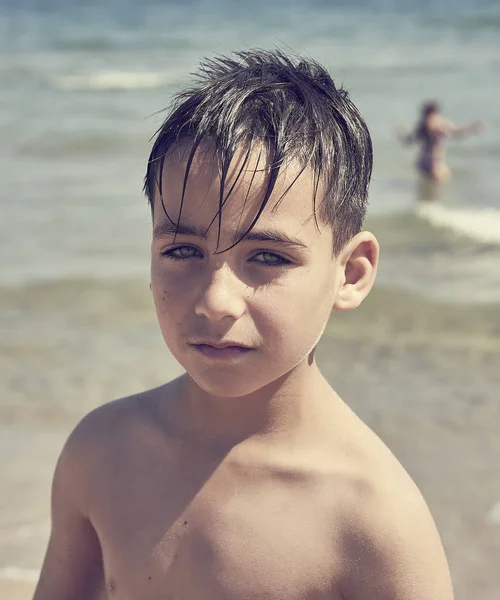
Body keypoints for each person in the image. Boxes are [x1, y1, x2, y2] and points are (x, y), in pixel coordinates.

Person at [33, 50, 454, 600]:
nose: (215, 301)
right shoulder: (101, 452)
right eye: (182, 250)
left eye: (269, 257)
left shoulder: (373, 524)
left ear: (350, 273)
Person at [398, 99, 483, 182]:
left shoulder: (422, 125)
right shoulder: (438, 124)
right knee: (439, 188)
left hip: (422, 162)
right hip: (435, 163)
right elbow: (456, 133)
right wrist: (472, 128)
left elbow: (409, 141)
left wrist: (403, 134)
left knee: (429, 190)